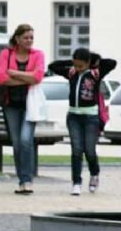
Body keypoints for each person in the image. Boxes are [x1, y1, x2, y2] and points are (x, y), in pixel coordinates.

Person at [48, 48, 116, 196]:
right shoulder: (72, 73)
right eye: (75, 65)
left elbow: (112, 63)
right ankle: (76, 182)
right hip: (73, 117)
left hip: (91, 117)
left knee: (89, 150)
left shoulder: (95, 74)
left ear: (87, 63)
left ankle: (94, 174)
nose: (78, 68)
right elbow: (53, 66)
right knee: (76, 150)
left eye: (80, 66)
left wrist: (95, 60)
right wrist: (71, 63)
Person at [0, 24, 45, 194]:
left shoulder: (38, 54)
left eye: (31, 37)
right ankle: (21, 179)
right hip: (12, 105)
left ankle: (27, 180)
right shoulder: (6, 54)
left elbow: (38, 77)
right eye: (26, 37)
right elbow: (1, 78)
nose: (29, 40)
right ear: (17, 39)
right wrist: (27, 78)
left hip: (30, 105)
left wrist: (14, 73)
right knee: (16, 144)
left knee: (25, 140)